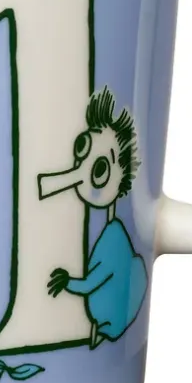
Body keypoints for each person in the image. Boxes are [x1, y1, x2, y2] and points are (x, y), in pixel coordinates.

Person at [37, 87, 148, 348]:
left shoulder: (114, 237)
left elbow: (91, 284)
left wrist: (67, 283)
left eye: (99, 169)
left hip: (108, 323)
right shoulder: (112, 233)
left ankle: (105, 333)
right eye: (83, 145)